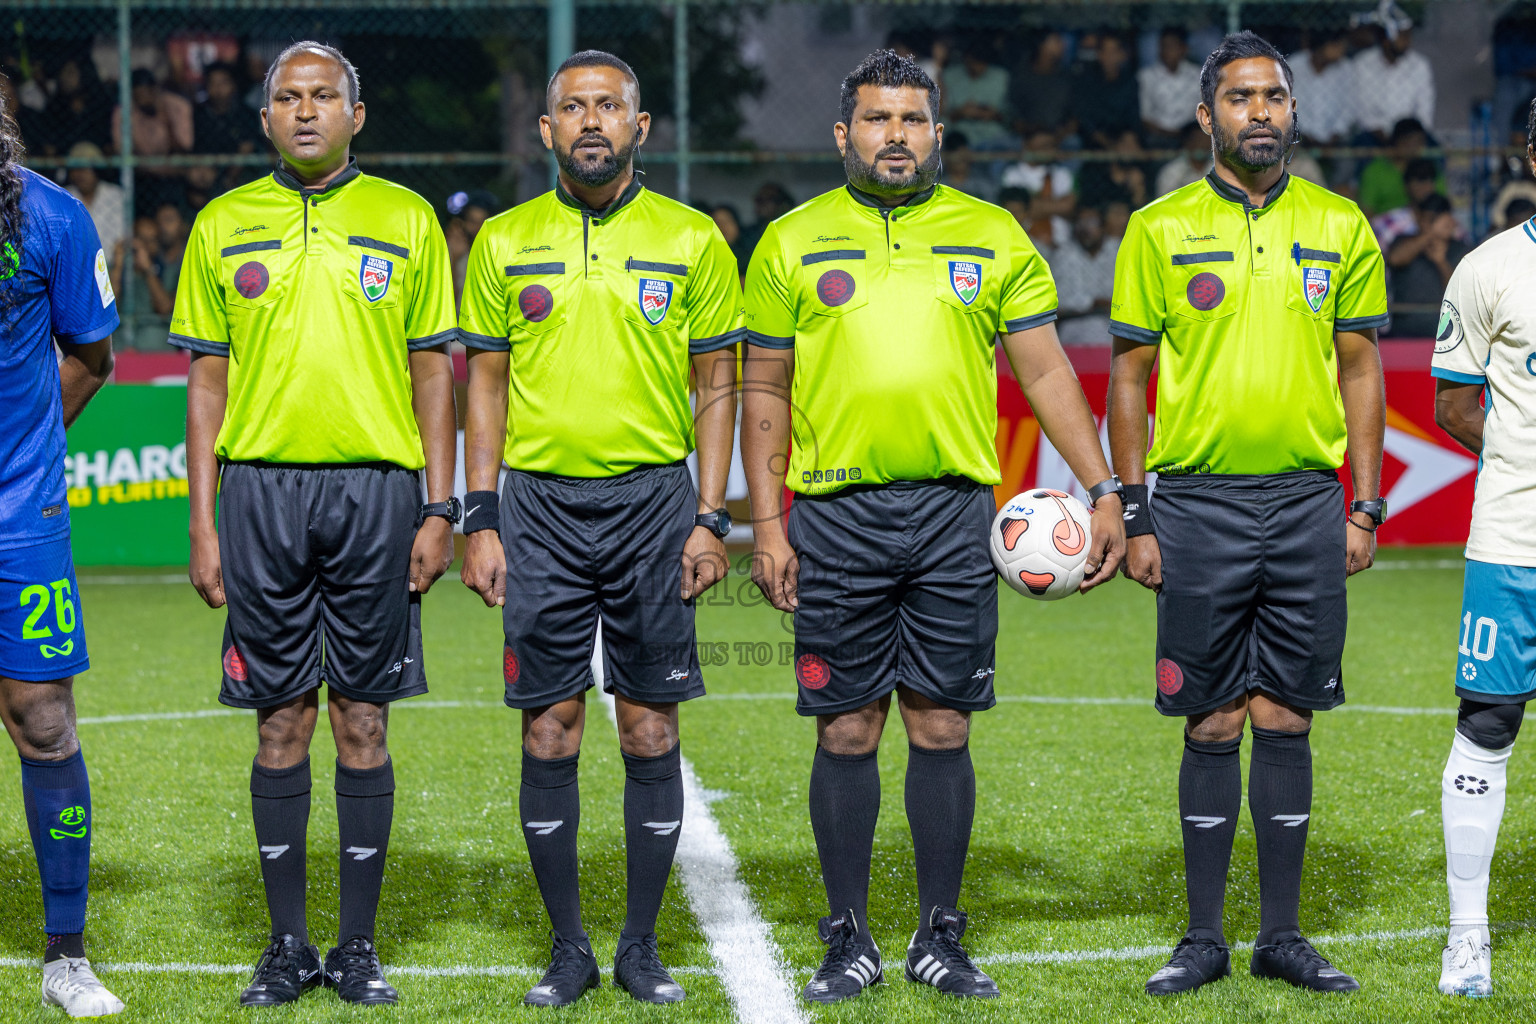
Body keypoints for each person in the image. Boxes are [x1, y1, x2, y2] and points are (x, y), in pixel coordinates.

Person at [742, 48, 1125, 1005]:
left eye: (913, 121)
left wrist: (1106, 487)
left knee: (943, 722)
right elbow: (764, 393)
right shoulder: (790, 241)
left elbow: (1043, 373)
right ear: (844, 135)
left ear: (939, 134)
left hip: (956, 515)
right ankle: (846, 936)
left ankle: (940, 935)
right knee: (847, 730)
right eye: (877, 120)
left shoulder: (991, 235)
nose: (896, 136)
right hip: (834, 516)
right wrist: (768, 525)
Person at [170, 41, 458, 1008]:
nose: (304, 111)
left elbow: (433, 374)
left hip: (378, 492)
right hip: (260, 496)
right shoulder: (222, 223)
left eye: (322, 96)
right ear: (264, 119)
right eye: (287, 98)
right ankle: (289, 946)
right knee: (280, 719)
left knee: (363, 719)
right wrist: (204, 523)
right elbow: (205, 382)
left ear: (356, 114)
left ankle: (359, 947)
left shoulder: (407, 219)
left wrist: (437, 504)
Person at [457, 49, 742, 1008]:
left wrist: (712, 516)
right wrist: (480, 513)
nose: (590, 121)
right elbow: (483, 390)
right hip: (537, 507)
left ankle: (640, 946)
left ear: (640, 125)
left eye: (608, 106)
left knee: (650, 725)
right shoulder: (501, 240)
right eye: (572, 107)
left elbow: (717, 389)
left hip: (657, 506)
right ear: (546, 131)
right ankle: (569, 948)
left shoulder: (695, 239)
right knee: (552, 726)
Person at [1106, 31, 1388, 997]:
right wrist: (1136, 513)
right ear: (1206, 116)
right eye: (1240, 98)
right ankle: (1201, 938)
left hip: (1309, 504)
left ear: (1293, 110)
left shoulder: (1343, 224)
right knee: (1212, 719)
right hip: (1196, 506)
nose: (1260, 112)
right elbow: (1130, 378)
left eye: (1274, 96)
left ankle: (1282, 936)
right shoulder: (1159, 228)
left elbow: (1360, 372)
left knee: (1287, 714)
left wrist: (1366, 503)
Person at [0, 75, 123, 1021]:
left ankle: (66, 954)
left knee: (43, 720)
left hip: (19, 517)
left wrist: (30, 457)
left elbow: (89, 354)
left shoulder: (55, 219)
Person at [1428, 99, 1536, 998]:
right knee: (1487, 724)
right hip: (1513, 541)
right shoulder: (1489, 269)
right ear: (1531, 155)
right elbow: (1455, 404)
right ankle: (1469, 935)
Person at [112, 68, 193, 213]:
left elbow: (185, 147)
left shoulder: (177, 106)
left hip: (173, 175)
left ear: (155, 90)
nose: (143, 99)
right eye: (138, 95)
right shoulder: (125, 112)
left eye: (146, 93)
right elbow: (122, 152)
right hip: (142, 176)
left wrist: (167, 121)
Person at [1351, 4, 1436, 140]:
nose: (1408, 41)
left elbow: (1425, 112)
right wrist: (1381, 133)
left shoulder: (1419, 65)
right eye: (1402, 35)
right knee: (1362, 144)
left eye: (1408, 35)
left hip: (1410, 135)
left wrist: (1409, 135)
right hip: (1374, 133)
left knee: (1434, 151)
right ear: (1385, 39)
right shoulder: (1362, 64)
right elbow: (1361, 109)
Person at [1386, 194, 1466, 336]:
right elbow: (1395, 259)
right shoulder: (1403, 241)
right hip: (1403, 332)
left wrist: (1441, 262)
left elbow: (1459, 294)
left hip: (1445, 334)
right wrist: (1431, 233)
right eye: (1430, 220)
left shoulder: (1461, 249)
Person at [1052, 204, 1118, 344]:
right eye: (1081, 223)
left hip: (1112, 324)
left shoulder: (1119, 251)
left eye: (1091, 222)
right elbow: (1059, 301)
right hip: (1074, 324)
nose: (1085, 228)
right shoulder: (1064, 254)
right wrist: (1094, 302)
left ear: (1104, 226)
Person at [1287, 31, 1355, 146]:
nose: (1342, 51)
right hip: (1298, 137)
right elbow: (1287, 106)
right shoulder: (1293, 66)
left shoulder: (1346, 69)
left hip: (1336, 139)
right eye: (1337, 45)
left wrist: (1336, 134)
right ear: (1323, 44)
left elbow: (1349, 108)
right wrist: (1304, 133)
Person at [1074, 32, 1141, 148]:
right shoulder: (1087, 81)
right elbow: (1086, 122)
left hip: (1123, 140)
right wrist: (1110, 145)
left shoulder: (1130, 81)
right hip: (1094, 142)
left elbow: (1133, 116)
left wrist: (1129, 137)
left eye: (1114, 52)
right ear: (1099, 54)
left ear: (1122, 55)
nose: (1109, 57)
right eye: (1105, 52)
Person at [64, 141, 125, 267]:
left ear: (96, 170)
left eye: (86, 169)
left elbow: (121, 237)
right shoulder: (64, 196)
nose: (80, 175)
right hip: (75, 266)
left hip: (112, 264)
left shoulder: (115, 195)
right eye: (76, 169)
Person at [943, 38, 1012, 148]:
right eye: (975, 62)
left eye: (982, 63)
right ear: (966, 59)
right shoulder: (949, 76)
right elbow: (940, 115)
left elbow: (1009, 116)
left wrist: (992, 114)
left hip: (991, 132)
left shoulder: (1001, 77)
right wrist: (960, 112)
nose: (978, 67)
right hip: (957, 132)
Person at [1139, 28, 1203, 147]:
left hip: (1191, 136)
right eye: (1164, 46)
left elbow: (1205, 110)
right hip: (1157, 137)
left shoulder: (1198, 75)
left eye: (1172, 46)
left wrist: (1189, 133)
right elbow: (1145, 116)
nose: (1167, 51)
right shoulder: (1147, 77)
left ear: (1184, 49)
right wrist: (1167, 133)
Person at [1358, 118, 1433, 217]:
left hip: (1424, 225)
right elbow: (1367, 212)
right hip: (1385, 228)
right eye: (1408, 141)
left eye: (1419, 142)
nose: (1413, 148)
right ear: (1396, 141)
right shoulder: (1374, 171)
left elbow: (1440, 204)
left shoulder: (1428, 168)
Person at [1009, 31, 1073, 140]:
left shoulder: (1066, 78)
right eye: (1057, 41)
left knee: (1073, 143)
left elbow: (1073, 116)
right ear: (1042, 45)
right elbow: (1013, 113)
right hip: (1024, 137)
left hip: (1057, 139)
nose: (1063, 45)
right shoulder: (1022, 75)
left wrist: (1056, 138)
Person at [443, 187, 499, 308]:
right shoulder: (454, 246)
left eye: (483, 222)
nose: (478, 229)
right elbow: (446, 302)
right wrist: (454, 258)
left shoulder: (498, 249)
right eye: (473, 222)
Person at [1371, 157, 1443, 249]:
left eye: (1430, 180)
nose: (1426, 186)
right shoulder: (1385, 223)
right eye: (1421, 180)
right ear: (1407, 185)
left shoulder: (1448, 223)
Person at [1154, 121, 1214, 197]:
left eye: (1206, 140)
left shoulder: (1219, 170)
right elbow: (1165, 201)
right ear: (1187, 142)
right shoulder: (1171, 172)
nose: (1203, 144)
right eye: (1198, 139)